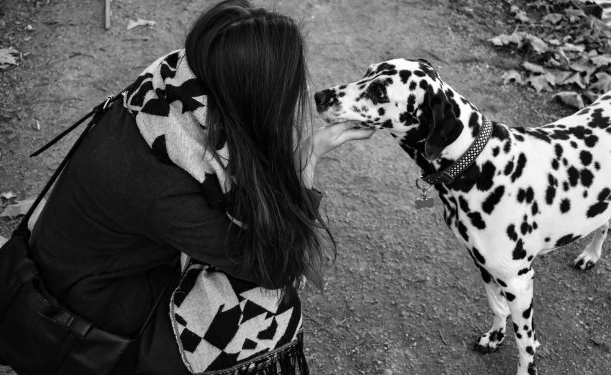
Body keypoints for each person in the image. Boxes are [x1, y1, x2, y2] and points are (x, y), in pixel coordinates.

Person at [29, 1, 374, 374]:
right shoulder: (162, 187)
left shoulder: (179, 79)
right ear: (250, 97)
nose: (302, 94)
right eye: (288, 89)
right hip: (92, 309)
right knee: (265, 308)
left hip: (90, 257)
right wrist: (304, 163)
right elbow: (276, 266)